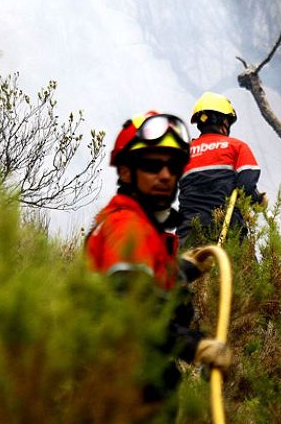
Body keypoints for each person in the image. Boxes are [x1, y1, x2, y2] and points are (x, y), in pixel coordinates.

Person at [85, 110, 231, 410]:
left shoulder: (140, 228)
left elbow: (144, 287)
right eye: (152, 166)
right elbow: (135, 314)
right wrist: (196, 346)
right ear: (126, 173)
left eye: (173, 166)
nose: (165, 176)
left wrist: (185, 269)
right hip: (123, 393)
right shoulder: (127, 228)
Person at [177, 92, 265, 245]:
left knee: (183, 267)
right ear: (223, 121)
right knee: (243, 267)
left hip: (188, 232)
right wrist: (258, 200)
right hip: (226, 228)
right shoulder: (237, 147)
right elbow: (246, 185)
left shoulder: (184, 153)